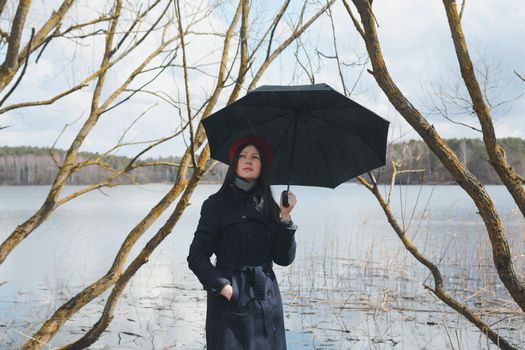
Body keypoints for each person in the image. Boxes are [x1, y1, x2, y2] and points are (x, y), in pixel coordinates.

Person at [187, 134, 298, 350]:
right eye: (243, 156)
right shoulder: (216, 205)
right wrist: (223, 286)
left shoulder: (271, 208)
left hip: (267, 300)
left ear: (262, 166)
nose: (248, 160)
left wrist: (285, 217)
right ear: (235, 163)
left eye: (255, 157)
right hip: (230, 302)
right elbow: (197, 256)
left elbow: (283, 258)